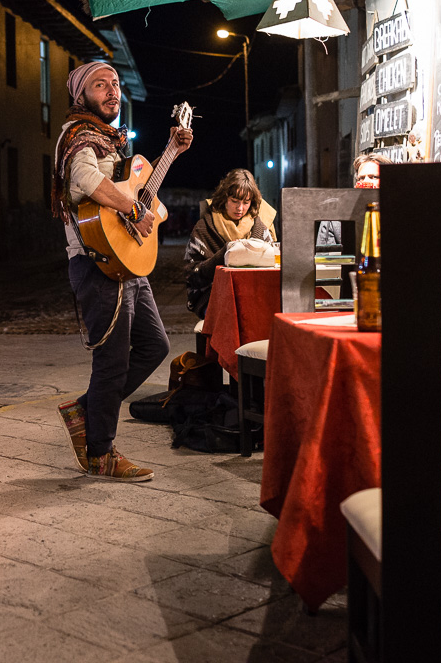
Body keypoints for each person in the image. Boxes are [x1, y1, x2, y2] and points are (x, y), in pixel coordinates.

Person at [52, 61, 192, 482]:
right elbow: (87, 184)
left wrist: (172, 152)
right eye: (101, 85)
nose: (112, 91)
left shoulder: (110, 142)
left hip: (127, 263)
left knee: (155, 346)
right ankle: (101, 453)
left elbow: (139, 191)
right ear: (81, 95)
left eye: (115, 84)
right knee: (112, 362)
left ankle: (86, 409)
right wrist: (132, 208)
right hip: (97, 264)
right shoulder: (77, 136)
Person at [184, 168, 278, 318]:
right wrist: (225, 254)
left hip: (254, 293)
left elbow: (273, 268)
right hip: (212, 296)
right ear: (224, 198)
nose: (240, 208)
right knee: (233, 315)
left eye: (246, 202)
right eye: (234, 201)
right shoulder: (204, 228)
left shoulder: (260, 229)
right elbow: (191, 276)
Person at [315, 153, 388, 247]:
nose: (365, 182)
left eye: (373, 177)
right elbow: (326, 257)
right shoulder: (335, 219)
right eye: (361, 178)